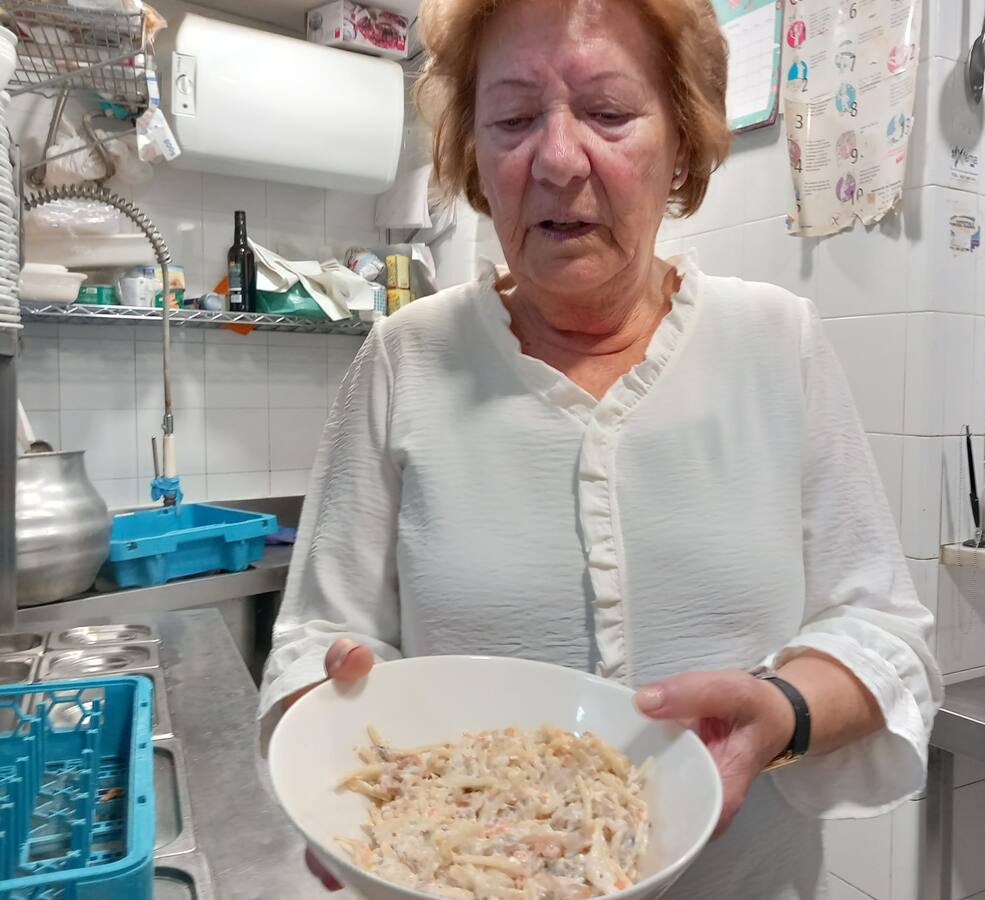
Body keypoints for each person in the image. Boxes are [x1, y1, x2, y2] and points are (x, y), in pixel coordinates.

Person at [259, 0, 942, 896]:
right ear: (474, 156)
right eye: (512, 119)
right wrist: (333, 750)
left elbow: (883, 632)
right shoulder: (403, 360)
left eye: (609, 112)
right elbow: (316, 641)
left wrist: (783, 711)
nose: (556, 158)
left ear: (682, 143)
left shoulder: (778, 343)